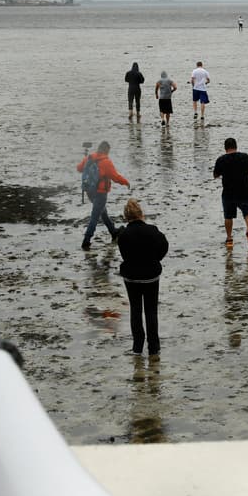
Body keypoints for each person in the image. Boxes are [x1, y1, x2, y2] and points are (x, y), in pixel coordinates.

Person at [116, 198, 168, 358]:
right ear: (141, 214)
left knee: (135, 310)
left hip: (131, 277)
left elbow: (124, 254)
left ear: (126, 217)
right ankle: (154, 347)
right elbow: (164, 247)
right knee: (151, 311)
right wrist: (155, 260)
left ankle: (137, 346)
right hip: (151, 276)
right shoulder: (153, 231)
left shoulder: (123, 235)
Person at [77, 140, 130, 250]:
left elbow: (79, 168)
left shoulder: (90, 158)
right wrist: (126, 182)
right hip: (101, 192)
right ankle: (86, 240)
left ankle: (113, 231)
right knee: (95, 216)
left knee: (102, 212)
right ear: (107, 150)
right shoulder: (106, 162)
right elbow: (115, 177)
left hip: (90, 191)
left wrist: (85, 161)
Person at [214, 137, 248, 249]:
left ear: (225, 148)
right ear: (236, 146)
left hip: (228, 192)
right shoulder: (245, 157)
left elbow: (215, 175)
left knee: (228, 216)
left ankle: (229, 238)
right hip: (244, 190)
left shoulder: (221, 160)